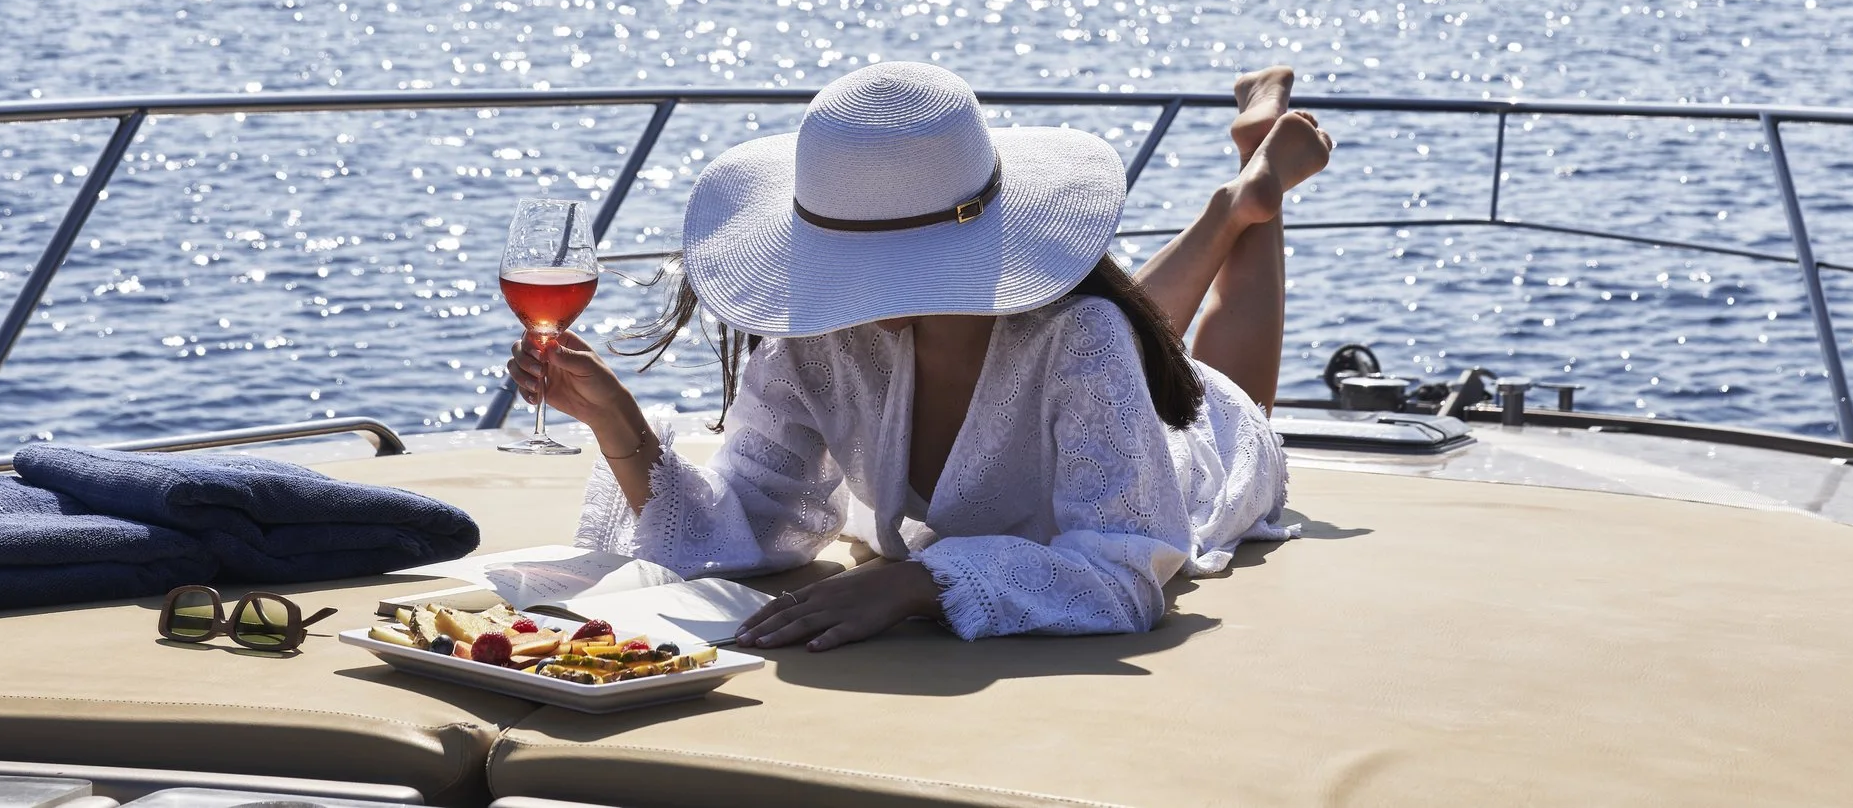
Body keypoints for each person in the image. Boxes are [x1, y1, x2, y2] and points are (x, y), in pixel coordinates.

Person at [509, 60, 1334, 649]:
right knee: (1129, 332)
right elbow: (755, 520)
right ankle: (1239, 196)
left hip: (1185, 458)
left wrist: (921, 581)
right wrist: (623, 428)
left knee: (1229, 404)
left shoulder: (1081, 335)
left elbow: (1124, 569)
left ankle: (1250, 194)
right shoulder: (816, 344)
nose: (846, 295)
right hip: (1102, 353)